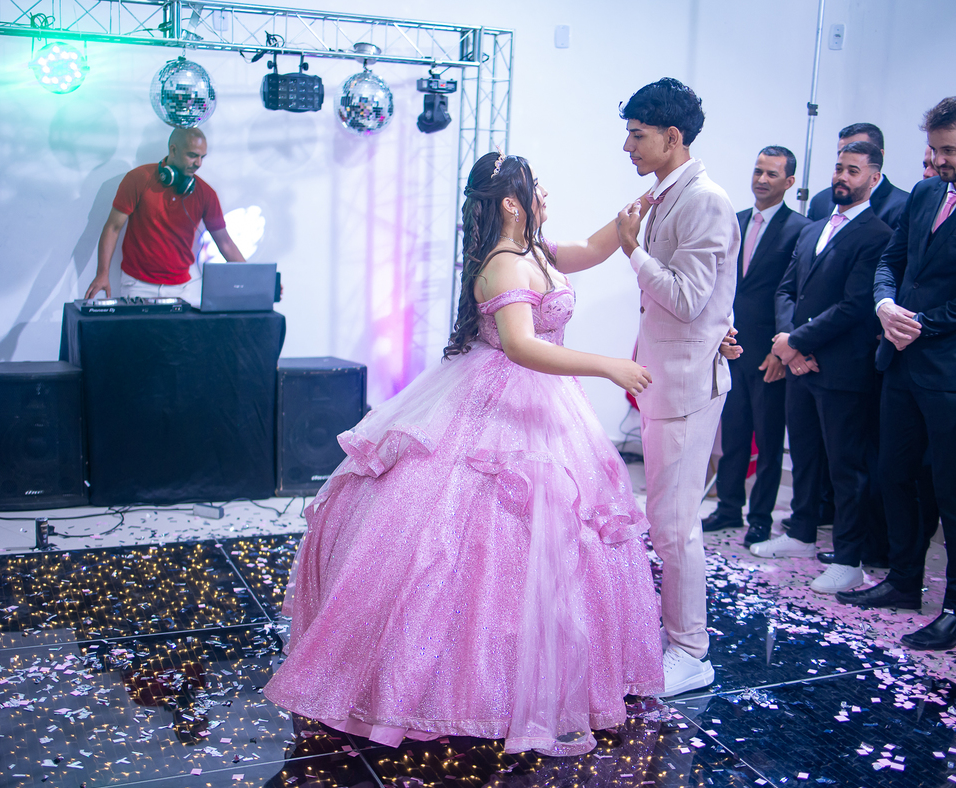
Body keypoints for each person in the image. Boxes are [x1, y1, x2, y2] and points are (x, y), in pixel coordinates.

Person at [263, 151, 663, 757]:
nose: (546, 195)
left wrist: (635, 211)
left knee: (560, 530)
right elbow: (522, 346)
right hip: (503, 398)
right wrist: (608, 366)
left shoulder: (535, 251)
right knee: (469, 532)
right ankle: (468, 684)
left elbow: (588, 248)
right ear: (512, 204)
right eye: (537, 188)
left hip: (545, 406)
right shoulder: (504, 265)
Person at [838, 96, 956, 652]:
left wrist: (919, 324)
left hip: (951, 371)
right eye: (933, 149)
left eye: (949, 150)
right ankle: (903, 581)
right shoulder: (924, 194)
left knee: (951, 491)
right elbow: (890, 261)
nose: (939, 160)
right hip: (900, 359)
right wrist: (884, 304)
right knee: (893, 474)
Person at [615, 78, 740, 696]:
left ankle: (691, 652)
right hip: (666, 377)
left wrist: (632, 252)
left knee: (674, 524)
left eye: (637, 136)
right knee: (665, 519)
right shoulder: (667, 194)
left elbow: (688, 299)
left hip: (688, 387)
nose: (627, 147)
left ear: (672, 136)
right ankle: (676, 639)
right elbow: (710, 299)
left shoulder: (705, 200)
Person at [752, 142, 893, 596]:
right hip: (801, 365)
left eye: (853, 171)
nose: (842, 178)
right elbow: (785, 290)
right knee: (805, 454)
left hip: (842, 368)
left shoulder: (878, 234)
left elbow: (855, 306)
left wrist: (796, 343)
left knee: (845, 467)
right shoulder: (813, 228)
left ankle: (849, 560)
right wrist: (788, 343)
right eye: (838, 168)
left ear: (873, 178)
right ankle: (800, 532)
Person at [703, 146, 807, 548]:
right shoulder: (737, 220)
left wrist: (781, 349)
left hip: (770, 352)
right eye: (758, 171)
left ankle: (760, 517)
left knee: (768, 439)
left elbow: (793, 294)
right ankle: (728, 506)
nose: (762, 180)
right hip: (732, 346)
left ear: (789, 182)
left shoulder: (800, 228)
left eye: (772, 174)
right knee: (733, 432)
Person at [86, 127, 245, 306]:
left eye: (202, 157)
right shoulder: (138, 179)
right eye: (192, 155)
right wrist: (102, 274)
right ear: (173, 150)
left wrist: (253, 281)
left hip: (183, 287)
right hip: (137, 285)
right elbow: (113, 227)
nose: (198, 163)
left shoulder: (206, 193)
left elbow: (225, 243)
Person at [807, 123, 911, 229]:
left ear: (880, 155)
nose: (848, 157)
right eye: (842, 152)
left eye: (858, 150)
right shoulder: (821, 201)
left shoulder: (904, 207)